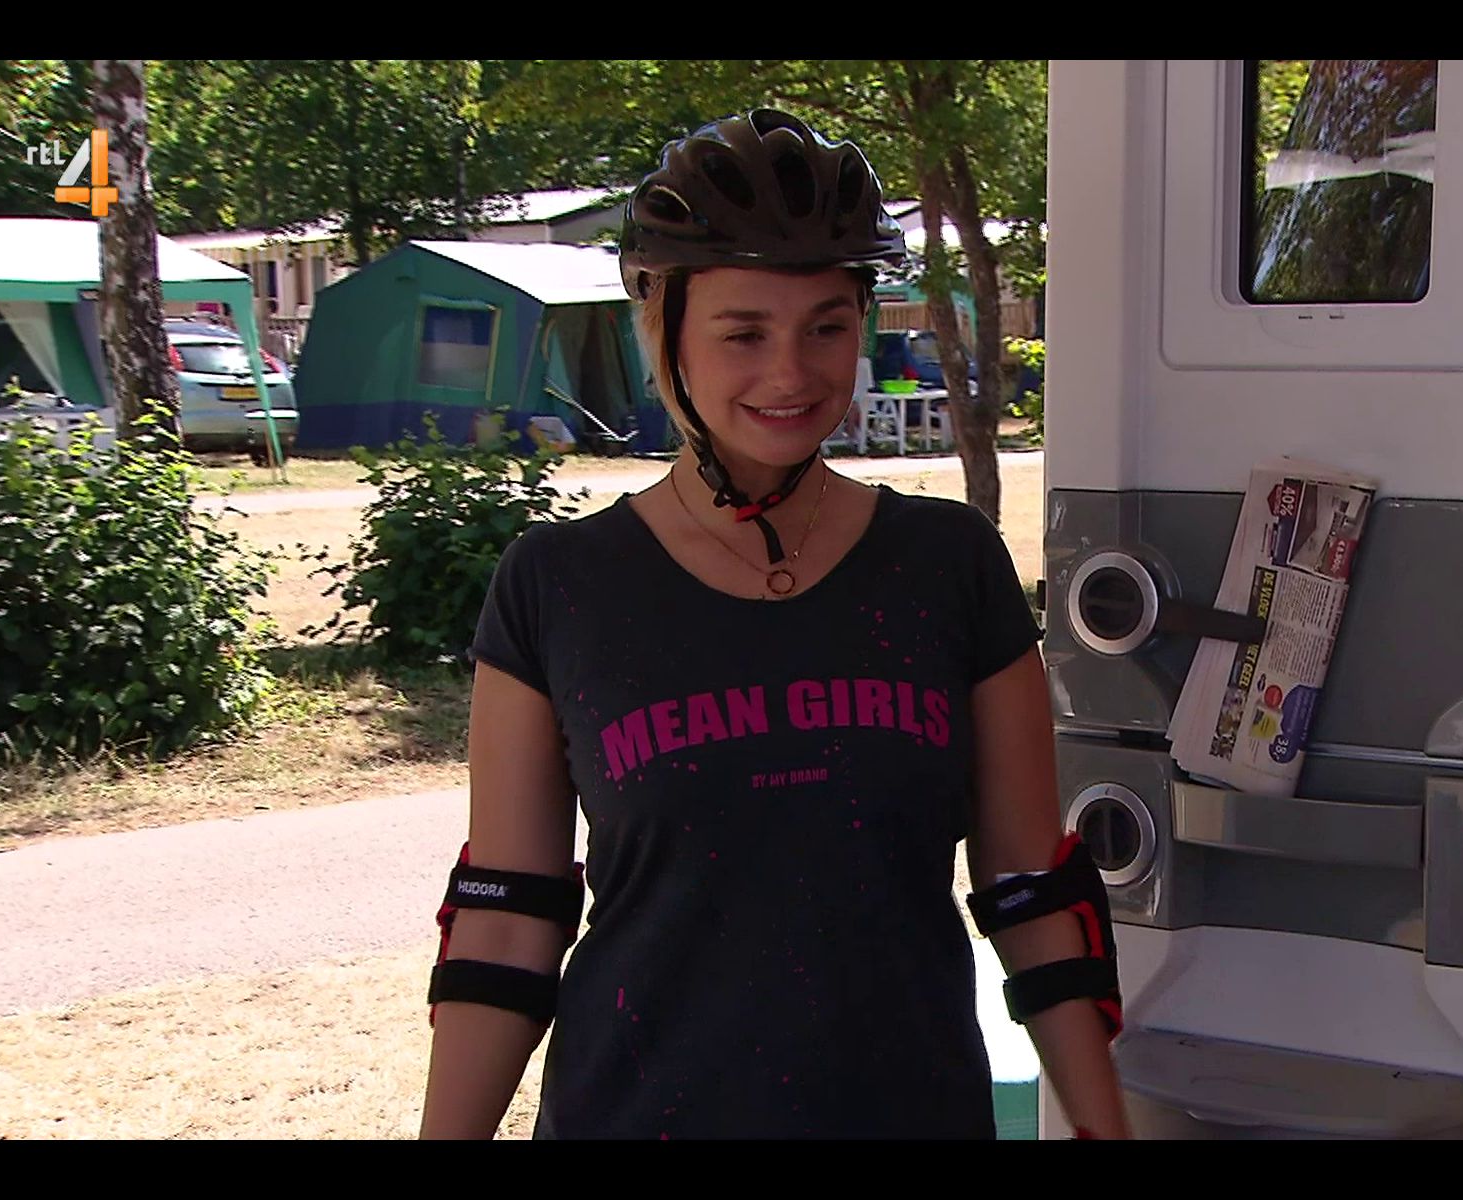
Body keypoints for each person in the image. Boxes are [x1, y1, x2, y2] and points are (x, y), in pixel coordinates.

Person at [418, 108, 1130, 1140]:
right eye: (744, 333)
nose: (791, 373)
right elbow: (507, 920)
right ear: (665, 329)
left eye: (826, 328)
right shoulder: (557, 585)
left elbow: (1032, 892)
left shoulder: (950, 566)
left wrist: (1105, 1131)